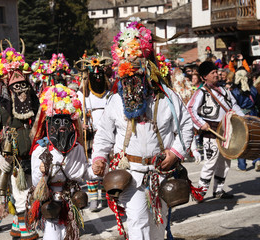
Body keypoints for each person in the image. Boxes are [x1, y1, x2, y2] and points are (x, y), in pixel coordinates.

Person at [92, 21, 194, 240]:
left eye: (136, 75)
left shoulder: (167, 97)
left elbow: (186, 125)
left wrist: (175, 153)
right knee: (137, 222)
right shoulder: (115, 102)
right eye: (126, 76)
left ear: (148, 71)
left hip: (161, 173)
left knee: (158, 225)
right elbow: (103, 134)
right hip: (131, 174)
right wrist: (99, 156)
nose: (131, 82)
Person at [29, 84, 101, 240]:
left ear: (72, 124)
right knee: (52, 235)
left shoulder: (77, 149)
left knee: (70, 235)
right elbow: (35, 182)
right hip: (50, 202)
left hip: (71, 199)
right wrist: (42, 172)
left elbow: (84, 173)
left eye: (66, 122)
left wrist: (96, 169)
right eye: (57, 122)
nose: (62, 125)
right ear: (48, 124)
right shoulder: (40, 151)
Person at [0, 45, 39, 240]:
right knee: (21, 195)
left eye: (23, 86)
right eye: (16, 87)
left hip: (33, 158)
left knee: (31, 194)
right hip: (13, 161)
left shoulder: (35, 105)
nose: (21, 92)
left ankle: (18, 227)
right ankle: (25, 232)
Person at [187, 61, 245, 200]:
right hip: (210, 132)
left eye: (216, 72)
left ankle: (218, 190)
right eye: (212, 73)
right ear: (204, 77)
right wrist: (201, 124)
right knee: (211, 162)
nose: (216, 74)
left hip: (227, 131)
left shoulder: (225, 91)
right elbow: (190, 109)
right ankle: (200, 192)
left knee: (225, 162)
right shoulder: (201, 92)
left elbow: (234, 106)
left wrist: (244, 120)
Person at [75, 54, 112, 212]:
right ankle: (93, 199)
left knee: (106, 162)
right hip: (90, 132)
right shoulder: (83, 94)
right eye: (94, 75)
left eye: (100, 75)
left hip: (108, 131)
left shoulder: (110, 92)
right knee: (91, 163)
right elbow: (77, 112)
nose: (97, 78)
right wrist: (81, 122)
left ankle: (104, 196)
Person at [230, 69, 260, 171]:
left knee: (241, 140)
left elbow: (233, 106)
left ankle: (242, 165)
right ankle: (257, 159)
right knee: (254, 138)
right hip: (253, 115)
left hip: (241, 116)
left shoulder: (234, 92)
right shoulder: (253, 89)